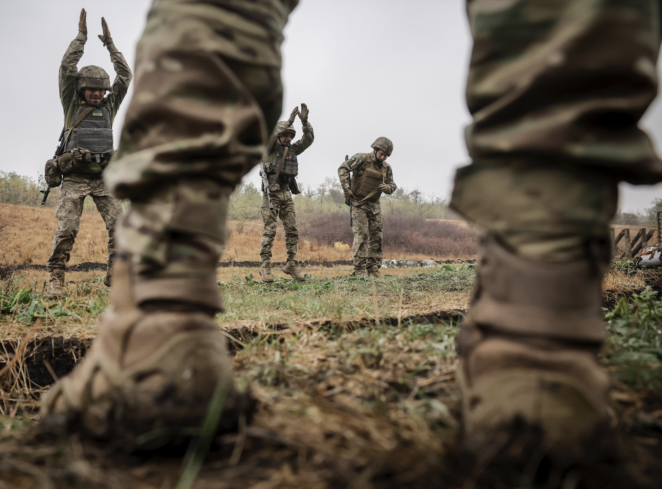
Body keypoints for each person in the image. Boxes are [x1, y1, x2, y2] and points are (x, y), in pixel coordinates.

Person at [40, 0, 662, 465]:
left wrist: (314, 134)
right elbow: (296, 157)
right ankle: (541, 340)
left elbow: (311, 146)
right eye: (91, 87)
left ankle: (158, 326)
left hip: (260, 194)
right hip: (199, 188)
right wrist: (81, 44)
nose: (96, 92)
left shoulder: (367, 165)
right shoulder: (333, 158)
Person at [44, 9, 132, 296]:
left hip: (105, 179)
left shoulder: (109, 106)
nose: (97, 93)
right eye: (91, 89)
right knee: (68, 228)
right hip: (75, 178)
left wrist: (110, 45)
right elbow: (66, 68)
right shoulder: (71, 105)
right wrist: (80, 38)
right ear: (81, 89)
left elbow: (125, 75)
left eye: (101, 89)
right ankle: (55, 279)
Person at [259, 104, 314, 282]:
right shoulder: (268, 149)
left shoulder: (292, 149)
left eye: (291, 135)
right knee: (270, 231)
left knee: (292, 230)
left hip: (286, 195)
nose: (289, 138)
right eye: (285, 135)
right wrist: (289, 121)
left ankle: (292, 264)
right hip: (271, 196)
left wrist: (304, 122)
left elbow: (308, 140)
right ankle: (265, 267)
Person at [338, 138, 396, 277]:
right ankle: (359, 270)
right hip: (358, 203)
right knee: (362, 235)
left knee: (377, 236)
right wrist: (346, 188)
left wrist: (387, 188)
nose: (383, 157)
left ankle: (373, 268)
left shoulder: (386, 167)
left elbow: (393, 185)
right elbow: (343, 168)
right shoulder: (361, 158)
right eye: (381, 154)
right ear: (375, 150)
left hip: (374, 205)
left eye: (386, 156)